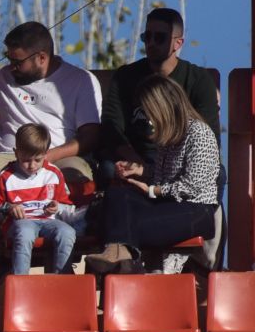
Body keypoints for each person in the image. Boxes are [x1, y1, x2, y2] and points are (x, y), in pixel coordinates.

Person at [0, 20, 101, 267]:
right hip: (10, 156)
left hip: (60, 153)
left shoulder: (81, 80)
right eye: (9, 59)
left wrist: (47, 158)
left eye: (18, 62)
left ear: (42, 58)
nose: (11, 67)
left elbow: (90, 135)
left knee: (79, 179)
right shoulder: (4, 78)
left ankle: (65, 259)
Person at [89, 73, 223, 275]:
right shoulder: (167, 137)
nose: (145, 116)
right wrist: (141, 171)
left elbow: (192, 186)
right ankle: (119, 253)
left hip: (196, 210)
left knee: (124, 224)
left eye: (147, 109)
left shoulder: (199, 133)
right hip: (166, 204)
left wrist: (154, 190)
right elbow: (164, 175)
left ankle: (122, 263)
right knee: (117, 195)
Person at [99, 7, 220, 177]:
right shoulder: (126, 76)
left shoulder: (198, 80)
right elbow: (112, 128)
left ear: (178, 43)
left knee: (217, 174)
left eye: (160, 38)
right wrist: (137, 162)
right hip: (134, 155)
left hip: (179, 160)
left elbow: (210, 136)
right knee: (108, 169)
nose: (151, 43)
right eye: (147, 37)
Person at [0, 124, 81, 275]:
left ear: (46, 154)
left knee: (67, 232)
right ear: (16, 153)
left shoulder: (53, 173)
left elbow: (68, 208)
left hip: (49, 221)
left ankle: (63, 279)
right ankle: (20, 280)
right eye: (26, 160)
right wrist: (7, 208)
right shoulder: (6, 176)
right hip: (19, 223)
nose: (32, 165)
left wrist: (57, 207)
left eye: (38, 160)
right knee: (25, 230)